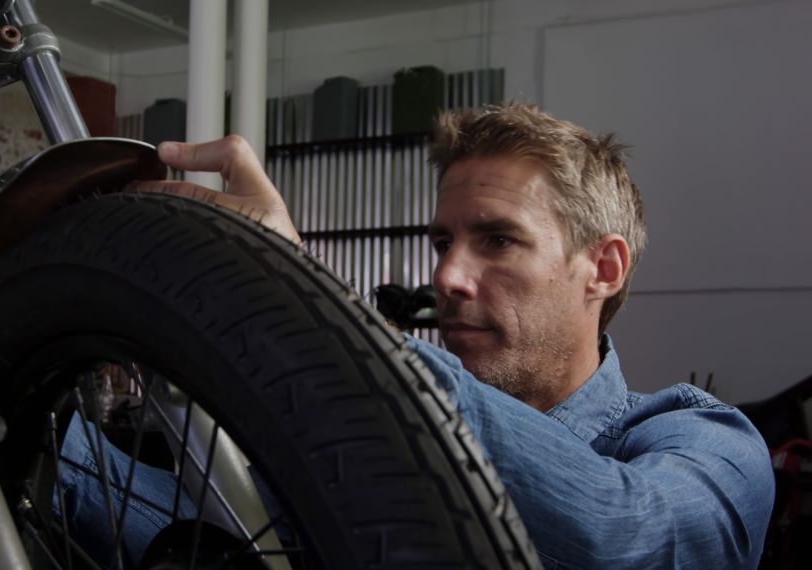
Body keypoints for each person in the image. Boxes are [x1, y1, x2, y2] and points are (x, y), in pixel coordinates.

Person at [59, 103, 774, 567]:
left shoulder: (709, 444)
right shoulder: (358, 450)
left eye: (497, 240)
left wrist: (307, 307)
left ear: (603, 268)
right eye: (443, 240)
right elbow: (163, 515)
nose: (450, 276)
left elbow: (629, 543)